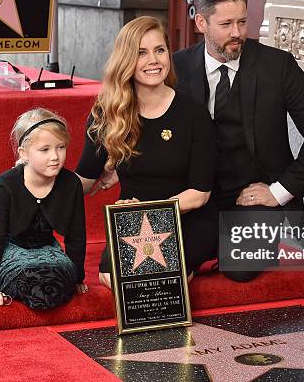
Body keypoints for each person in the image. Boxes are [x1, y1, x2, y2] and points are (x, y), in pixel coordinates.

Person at [173, 0, 304, 281]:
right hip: (197, 196)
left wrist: (279, 192)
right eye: (226, 24)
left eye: (242, 21)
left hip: (253, 196)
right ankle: (206, 247)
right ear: (201, 23)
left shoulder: (278, 67)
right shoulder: (177, 68)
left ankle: (227, 246)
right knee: (178, 259)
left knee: (240, 268)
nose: (237, 33)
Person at [75, 16, 218, 289]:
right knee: (113, 279)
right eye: (141, 53)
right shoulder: (107, 113)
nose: (154, 60)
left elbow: (200, 195)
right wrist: (35, 176)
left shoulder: (193, 113)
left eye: (160, 50)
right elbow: (84, 180)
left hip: (185, 218)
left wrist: (148, 212)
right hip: (132, 224)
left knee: (158, 279)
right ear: (126, 60)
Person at [0, 108, 88, 309]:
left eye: (61, 147)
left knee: (56, 280)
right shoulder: (6, 184)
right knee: (31, 279)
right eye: (44, 150)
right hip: (14, 249)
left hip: (47, 250)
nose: (55, 156)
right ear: (24, 154)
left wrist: (77, 276)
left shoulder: (71, 183)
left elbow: (77, 236)